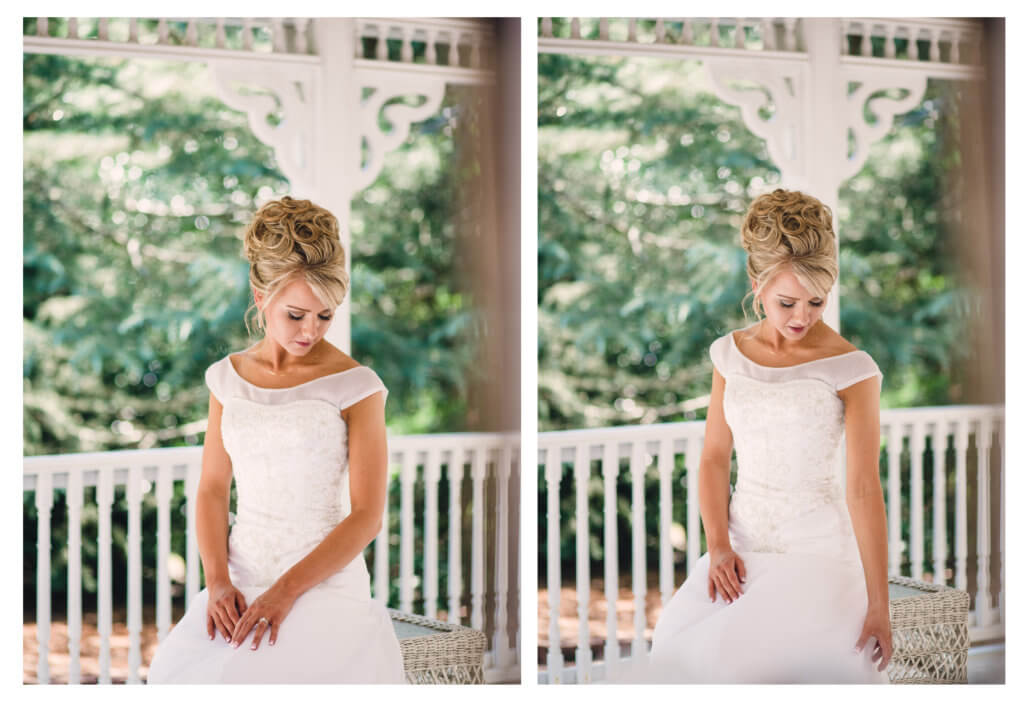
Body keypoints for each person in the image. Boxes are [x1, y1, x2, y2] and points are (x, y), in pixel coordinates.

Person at [147, 196, 406, 683]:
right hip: (240, 581)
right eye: (296, 314)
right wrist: (218, 582)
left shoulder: (356, 386)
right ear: (259, 294)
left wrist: (285, 593)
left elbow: (368, 515)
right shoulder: (227, 379)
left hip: (322, 587)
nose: (311, 331)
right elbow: (210, 489)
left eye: (325, 316)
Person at [645, 189, 892, 683]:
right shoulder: (728, 355)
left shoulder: (854, 369)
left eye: (816, 301)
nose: (802, 317)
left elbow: (864, 486)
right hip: (740, 549)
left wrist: (879, 603)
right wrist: (718, 547)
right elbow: (715, 458)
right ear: (756, 285)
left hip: (818, 555)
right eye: (786, 302)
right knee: (686, 661)